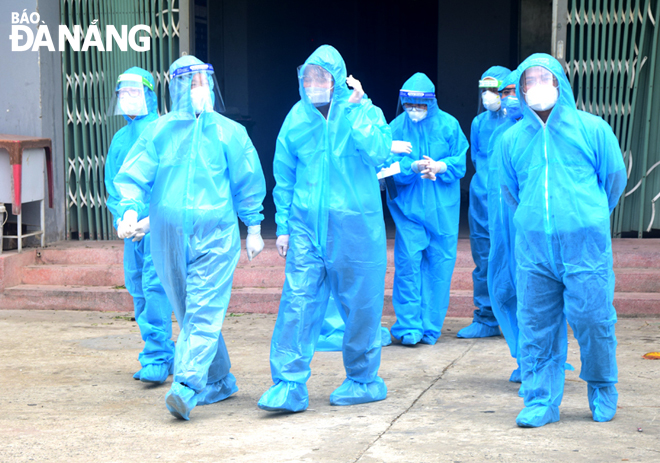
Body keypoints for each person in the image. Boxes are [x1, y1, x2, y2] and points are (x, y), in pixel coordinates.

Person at [114, 55, 267, 420]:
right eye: (190, 83)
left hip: (216, 235)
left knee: (202, 309)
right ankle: (220, 379)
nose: (198, 90)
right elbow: (135, 174)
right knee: (188, 311)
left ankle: (186, 384)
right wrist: (130, 210)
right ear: (176, 88)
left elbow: (247, 180)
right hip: (167, 237)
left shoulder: (230, 132)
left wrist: (255, 225)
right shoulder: (159, 131)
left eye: (203, 82)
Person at [259, 45, 392, 412]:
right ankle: (289, 385)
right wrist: (282, 226)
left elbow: (381, 152)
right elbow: (283, 177)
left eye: (321, 77)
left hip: (357, 230)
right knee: (297, 304)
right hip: (306, 230)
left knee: (361, 305)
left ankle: (364, 380)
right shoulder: (296, 119)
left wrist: (359, 110)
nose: (313, 83)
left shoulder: (363, 112)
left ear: (337, 80)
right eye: (308, 77)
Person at [499, 53, 626, 427]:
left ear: (559, 83)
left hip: (585, 246)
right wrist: (537, 219)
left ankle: (602, 385)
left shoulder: (592, 128)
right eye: (528, 81)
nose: (536, 86)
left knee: (593, 318)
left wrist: (586, 217)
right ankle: (540, 400)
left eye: (544, 78)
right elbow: (511, 191)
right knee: (536, 324)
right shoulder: (512, 139)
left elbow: (613, 181)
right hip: (535, 248)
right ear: (521, 90)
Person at [386, 72, 468, 346]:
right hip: (408, 210)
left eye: (419, 106)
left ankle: (431, 327)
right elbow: (385, 167)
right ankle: (409, 326)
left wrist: (441, 167)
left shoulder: (449, 125)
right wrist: (410, 168)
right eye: (409, 105)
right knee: (408, 265)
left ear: (431, 103)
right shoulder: (396, 128)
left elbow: (460, 162)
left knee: (439, 268)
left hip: (442, 211)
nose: (414, 111)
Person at [104, 67, 174, 384]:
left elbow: (170, 182)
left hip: (156, 227)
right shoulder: (120, 139)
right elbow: (113, 185)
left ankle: (157, 356)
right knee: (138, 290)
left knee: (155, 288)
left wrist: (151, 218)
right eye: (123, 93)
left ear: (148, 95)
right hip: (131, 229)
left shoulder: (162, 130)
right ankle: (160, 351)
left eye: (134, 92)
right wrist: (121, 217)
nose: (128, 99)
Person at [458, 66, 511, 339]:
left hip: (509, 201)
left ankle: (519, 319)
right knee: (483, 259)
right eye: (485, 91)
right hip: (481, 198)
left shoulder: (517, 120)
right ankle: (486, 317)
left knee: (515, 260)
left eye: (495, 90)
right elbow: (478, 158)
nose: (489, 96)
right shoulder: (479, 123)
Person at [485, 70, 523, 382]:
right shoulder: (503, 135)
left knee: (539, 297)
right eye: (505, 91)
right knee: (504, 289)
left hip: (531, 230)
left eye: (514, 90)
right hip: (502, 227)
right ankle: (526, 360)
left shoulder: (546, 133)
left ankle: (546, 363)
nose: (508, 97)